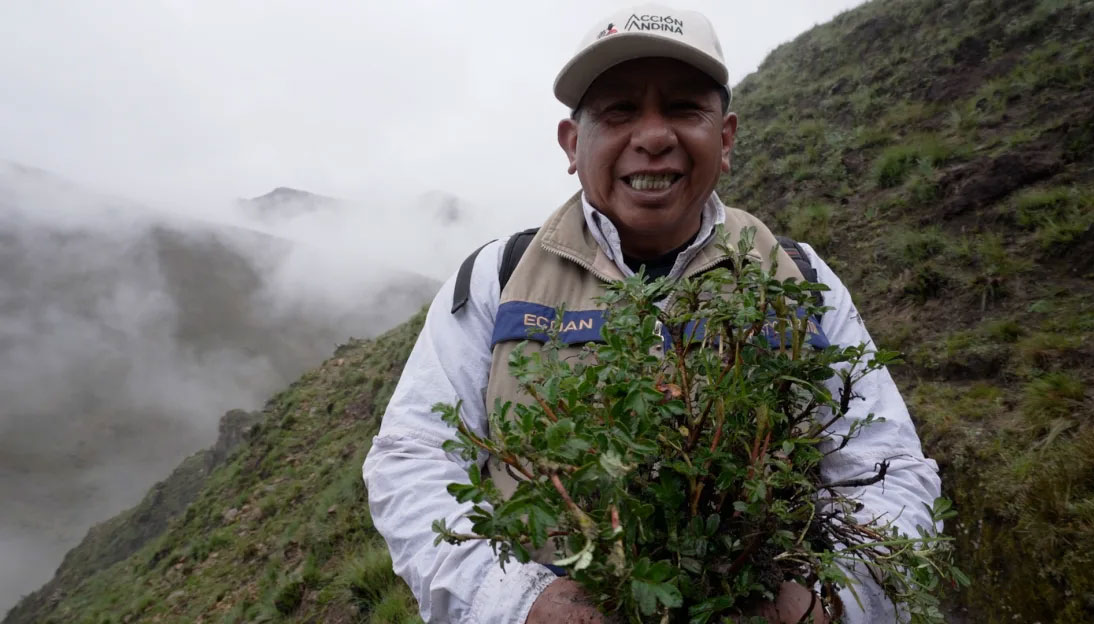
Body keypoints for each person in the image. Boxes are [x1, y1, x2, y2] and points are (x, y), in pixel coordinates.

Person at [363, 5, 941, 623]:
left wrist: (837, 602)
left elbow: (889, 466)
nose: (653, 136)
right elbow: (411, 456)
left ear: (725, 138)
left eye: (684, 109)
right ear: (571, 143)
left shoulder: (798, 277)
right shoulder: (497, 278)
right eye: (618, 111)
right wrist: (516, 603)